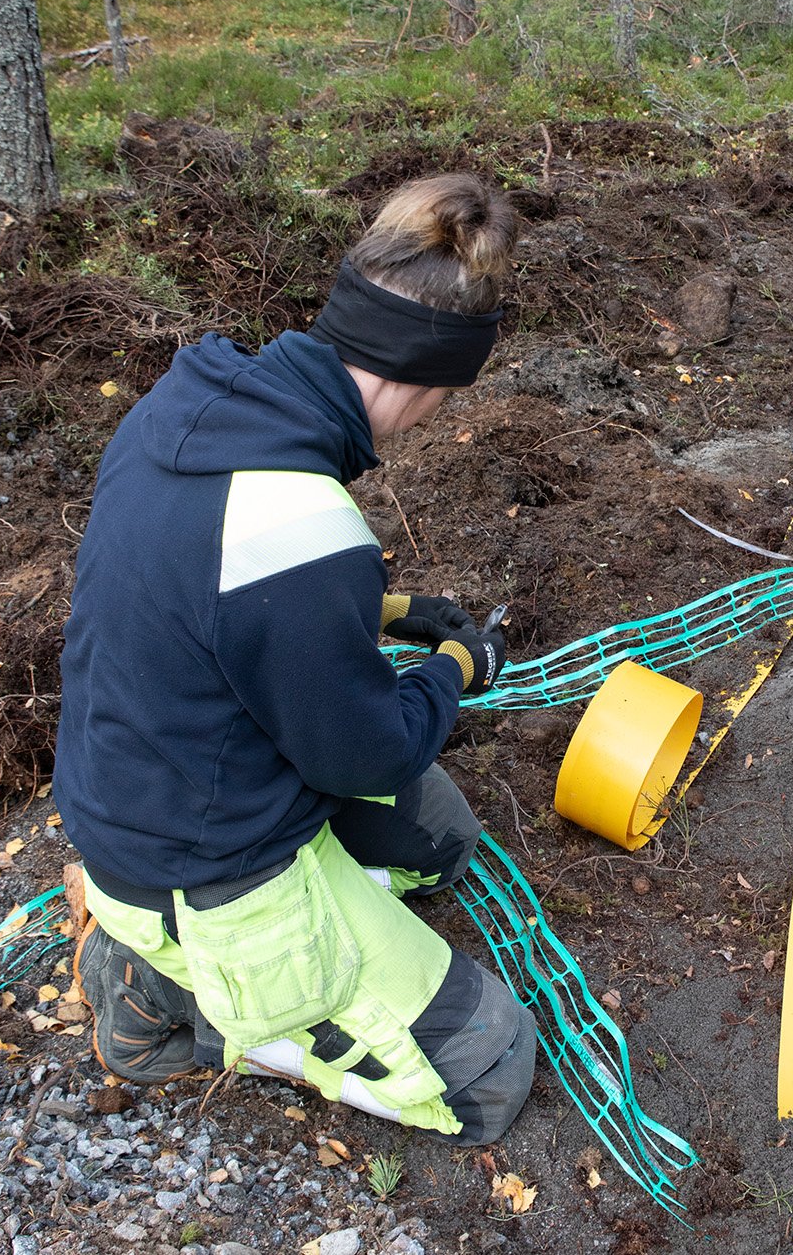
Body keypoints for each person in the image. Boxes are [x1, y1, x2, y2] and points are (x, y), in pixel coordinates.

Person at [54, 174, 537, 1143]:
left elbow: (209, 594)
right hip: (198, 865)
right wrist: (453, 668)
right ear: (426, 376)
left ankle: (229, 954)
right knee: (491, 1066)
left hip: (144, 781)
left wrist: (389, 610)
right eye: (445, 399)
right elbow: (364, 753)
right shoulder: (306, 526)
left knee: (441, 837)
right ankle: (171, 994)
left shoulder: (184, 405)